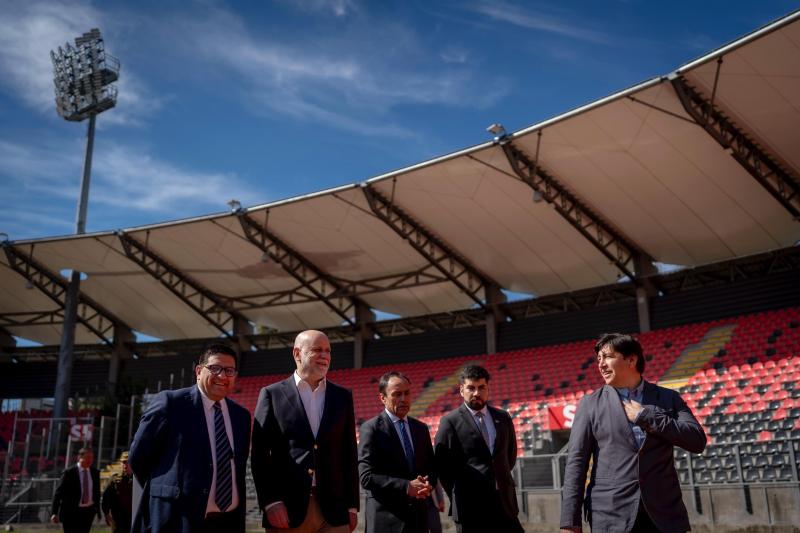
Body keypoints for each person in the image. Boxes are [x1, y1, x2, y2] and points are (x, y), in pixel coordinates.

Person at [560, 333, 707, 533]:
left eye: (608, 356)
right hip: (609, 517)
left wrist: (645, 416)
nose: (601, 364)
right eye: (599, 359)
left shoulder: (669, 398)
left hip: (665, 516)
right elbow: (576, 463)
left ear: (631, 360)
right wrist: (570, 522)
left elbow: (697, 441)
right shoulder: (589, 404)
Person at [129, 344, 252, 533]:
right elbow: (138, 457)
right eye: (215, 368)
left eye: (229, 371)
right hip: (178, 520)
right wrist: (169, 489)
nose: (222, 376)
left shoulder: (241, 416)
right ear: (199, 371)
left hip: (228, 522)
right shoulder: (171, 404)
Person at [251, 330, 359, 533]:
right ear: (297, 353)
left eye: (328, 351)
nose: (325, 356)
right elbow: (260, 455)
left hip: (335, 510)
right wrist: (270, 502)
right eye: (317, 350)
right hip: (287, 510)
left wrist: (352, 505)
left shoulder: (343, 396)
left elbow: (349, 453)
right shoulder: (272, 394)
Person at [434, 365, 523, 533]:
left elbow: (509, 456)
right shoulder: (449, 421)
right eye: (471, 388)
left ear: (488, 388)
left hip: (505, 504)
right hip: (470, 509)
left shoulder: (503, 417)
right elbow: (442, 466)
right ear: (461, 390)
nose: (476, 393)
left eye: (481, 387)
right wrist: (460, 493)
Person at [358, 371, 437, 533]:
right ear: (383, 398)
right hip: (386, 522)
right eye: (397, 394)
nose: (403, 399)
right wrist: (407, 486)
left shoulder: (421, 429)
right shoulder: (371, 429)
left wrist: (428, 484)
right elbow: (366, 477)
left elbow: (431, 468)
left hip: (418, 520)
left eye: (407, 393)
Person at [51, 447, 101, 533]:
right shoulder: (69, 473)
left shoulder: (95, 472)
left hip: (88, 512)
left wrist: (98, 511)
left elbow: (97, 493)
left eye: (91, 457)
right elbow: (58, 493)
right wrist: (54, 512)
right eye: (87, 457)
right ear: (79, 457)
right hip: (71, 513)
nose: (90, 460)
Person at [101, 451, 133, 533]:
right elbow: (106, 497)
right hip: (118, 519)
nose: (126, 465)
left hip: (134, 518)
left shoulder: (139, 479)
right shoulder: (114, 480)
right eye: (124, 462)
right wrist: (106, 513)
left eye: (128, 462)